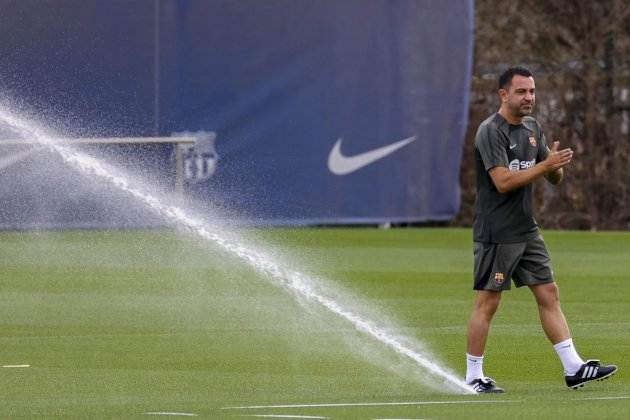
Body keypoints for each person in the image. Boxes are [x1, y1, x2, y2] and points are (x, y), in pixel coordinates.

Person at [465, 66, 618, 393]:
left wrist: (555, 168)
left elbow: (551, 175)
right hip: (497, 231)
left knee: (549, 292)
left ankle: (573, 367)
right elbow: (503, 182)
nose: (529, 98)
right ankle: (474, 376)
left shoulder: (533, 127)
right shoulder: (490, 131)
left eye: (532, 91)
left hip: (526, 229)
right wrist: (544, 166)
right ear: (503, 94)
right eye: (521, 92)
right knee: (488, 303)